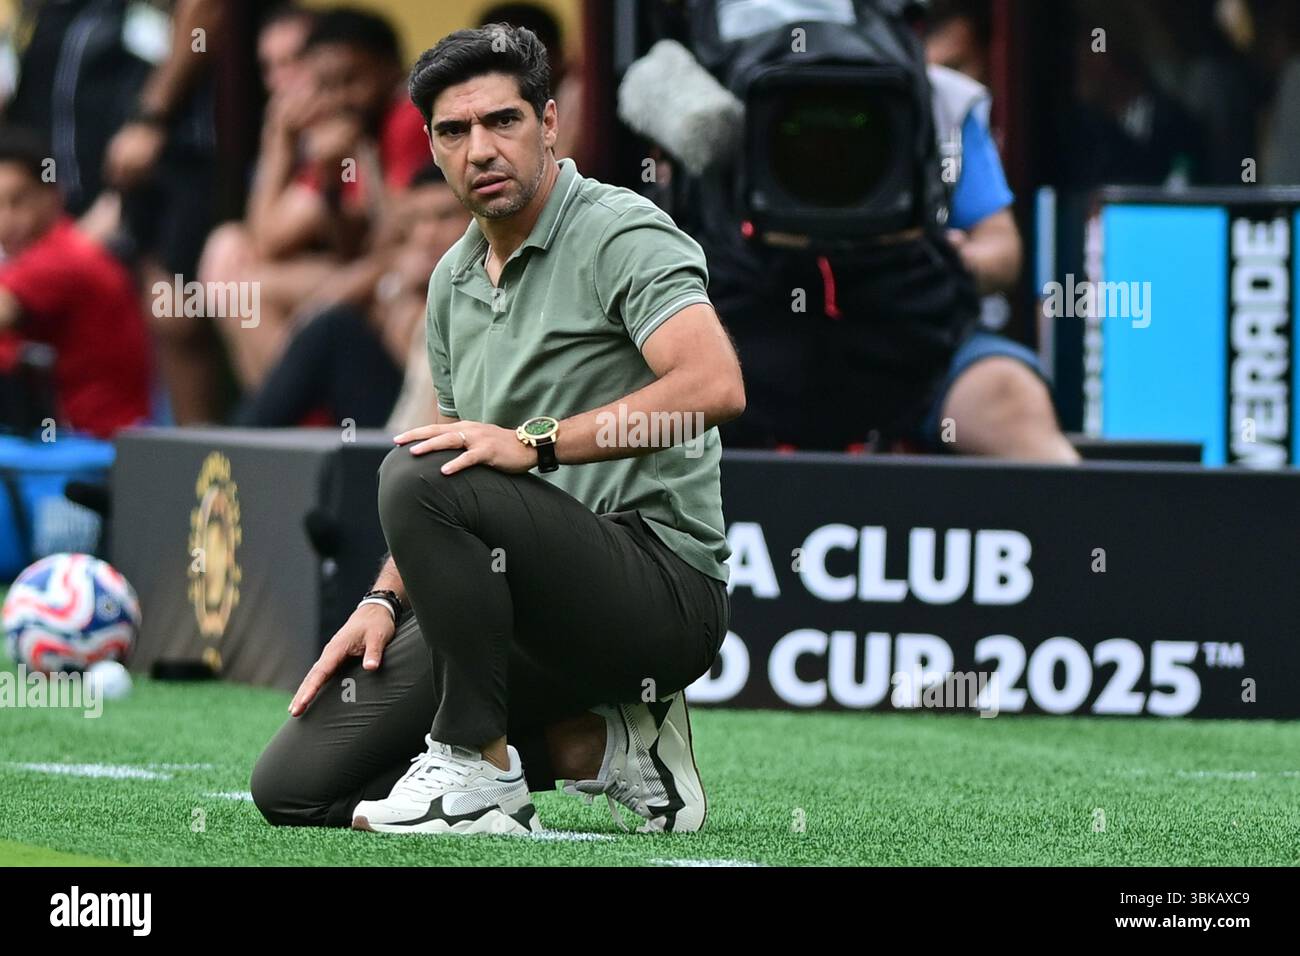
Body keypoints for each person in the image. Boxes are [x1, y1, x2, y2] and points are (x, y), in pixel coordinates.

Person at [250, 23, 745, 836]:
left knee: (405, 471)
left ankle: (477, 765)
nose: (480, 148)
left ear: (548, 123)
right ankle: (599, 746)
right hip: (513, 602)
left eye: (502, 122)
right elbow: (452, 461)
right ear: (433, 148)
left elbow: (714, 387)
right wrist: (383, 597)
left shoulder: (621, 230)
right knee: (293, 788)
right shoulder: (449, 280)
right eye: (454, 131)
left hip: (657, 593)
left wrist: (537, 441)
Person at [236, 163, 471, 429]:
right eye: (417, 220)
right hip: (391, 414)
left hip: (430, 431)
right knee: (331, 328)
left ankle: (236, 442)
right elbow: (318, 311)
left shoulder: (476, 279)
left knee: (333, 329)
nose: (428, 234)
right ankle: (240, 440)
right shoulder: (400, 277)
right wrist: (387, 269)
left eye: (445, 217)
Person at [0, 128, 151, 438]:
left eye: (18, 200)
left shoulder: (61, 259)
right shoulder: (36, 259)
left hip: (96, 447)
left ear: (54, 195)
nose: (5, 219)